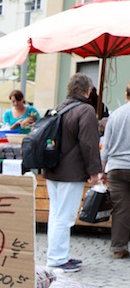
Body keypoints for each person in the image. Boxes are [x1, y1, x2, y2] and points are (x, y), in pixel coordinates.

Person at [45, 73, 102, 272]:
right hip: (71, 172)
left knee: (56, 214)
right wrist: (95, 171)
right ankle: (57, 259)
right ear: (87, 90)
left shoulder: (59, 108)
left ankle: (59, 255)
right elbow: (89, 144)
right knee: (65, 216)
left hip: (53, 170)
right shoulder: (85, 110)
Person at [100, 80, 130, 259]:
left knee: (121, 209)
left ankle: (119, 248)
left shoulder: (116, 115)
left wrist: (102, 171)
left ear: (126, 95)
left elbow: (106, 145)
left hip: (116, 168)